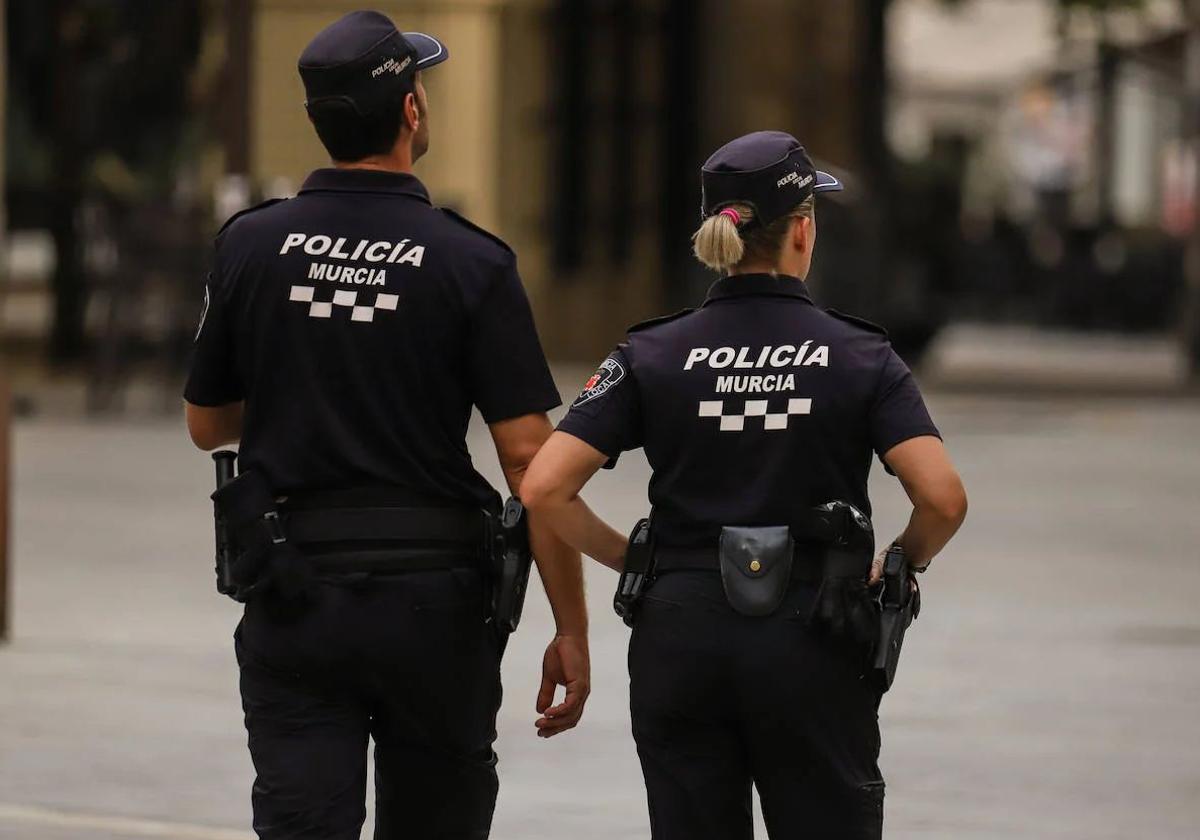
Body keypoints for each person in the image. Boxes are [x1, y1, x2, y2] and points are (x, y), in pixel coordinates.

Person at [183, 11, 589, 839]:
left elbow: (206, 424)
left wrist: (313, 370)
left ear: (318, 122)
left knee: (303, 823)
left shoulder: (250, 247)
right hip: (432, 606)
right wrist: (571, 625)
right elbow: (529, 461)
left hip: (294, 590)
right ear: (410, 110)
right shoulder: (472, 262)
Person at [520, 131, 967, 840]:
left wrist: (634, 560)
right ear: (802, 230)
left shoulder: (651, 352)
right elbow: (942, 498)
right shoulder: (860, 356)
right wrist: (904, 557)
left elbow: (544, 486)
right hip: (813, 635)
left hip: (682, 631)